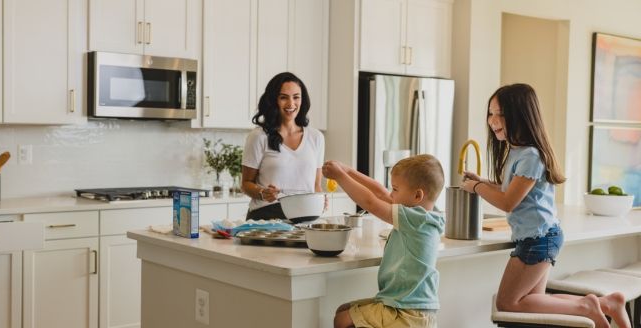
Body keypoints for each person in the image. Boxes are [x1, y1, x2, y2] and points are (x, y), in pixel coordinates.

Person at [461, 83, 630, 328]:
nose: (492, 120)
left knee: (508, 302)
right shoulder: (517, 151)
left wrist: (476, 188)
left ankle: (587, 306)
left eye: (501, 114)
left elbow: (509, 202)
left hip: (537, 240)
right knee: (534, 300)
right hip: (539, 237)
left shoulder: (530, 155)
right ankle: (607, 304)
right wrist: (484, 182)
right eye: (490, 113)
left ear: (521, 115)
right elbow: (510, 190)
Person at [323, 154, 445, 328]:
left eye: (395, 189)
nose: (390, 194)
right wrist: (348, 170)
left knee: (342, 320)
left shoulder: (416, 219)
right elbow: (379, 193)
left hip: (407, 313)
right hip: (405, 305)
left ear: (417, 196)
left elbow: (371, 202)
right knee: (344, 310)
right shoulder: (423, 216)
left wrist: (341, 176)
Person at [241, 72, 325, 220]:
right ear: (274, 100)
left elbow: (316, 185)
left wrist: (320, 200)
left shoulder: (316, 137)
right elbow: (246, 184)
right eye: (283, 97)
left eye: (296, 97)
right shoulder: (259, 136)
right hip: (267, 218)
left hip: (306, 219)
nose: (291, 104)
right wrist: (263, 192)